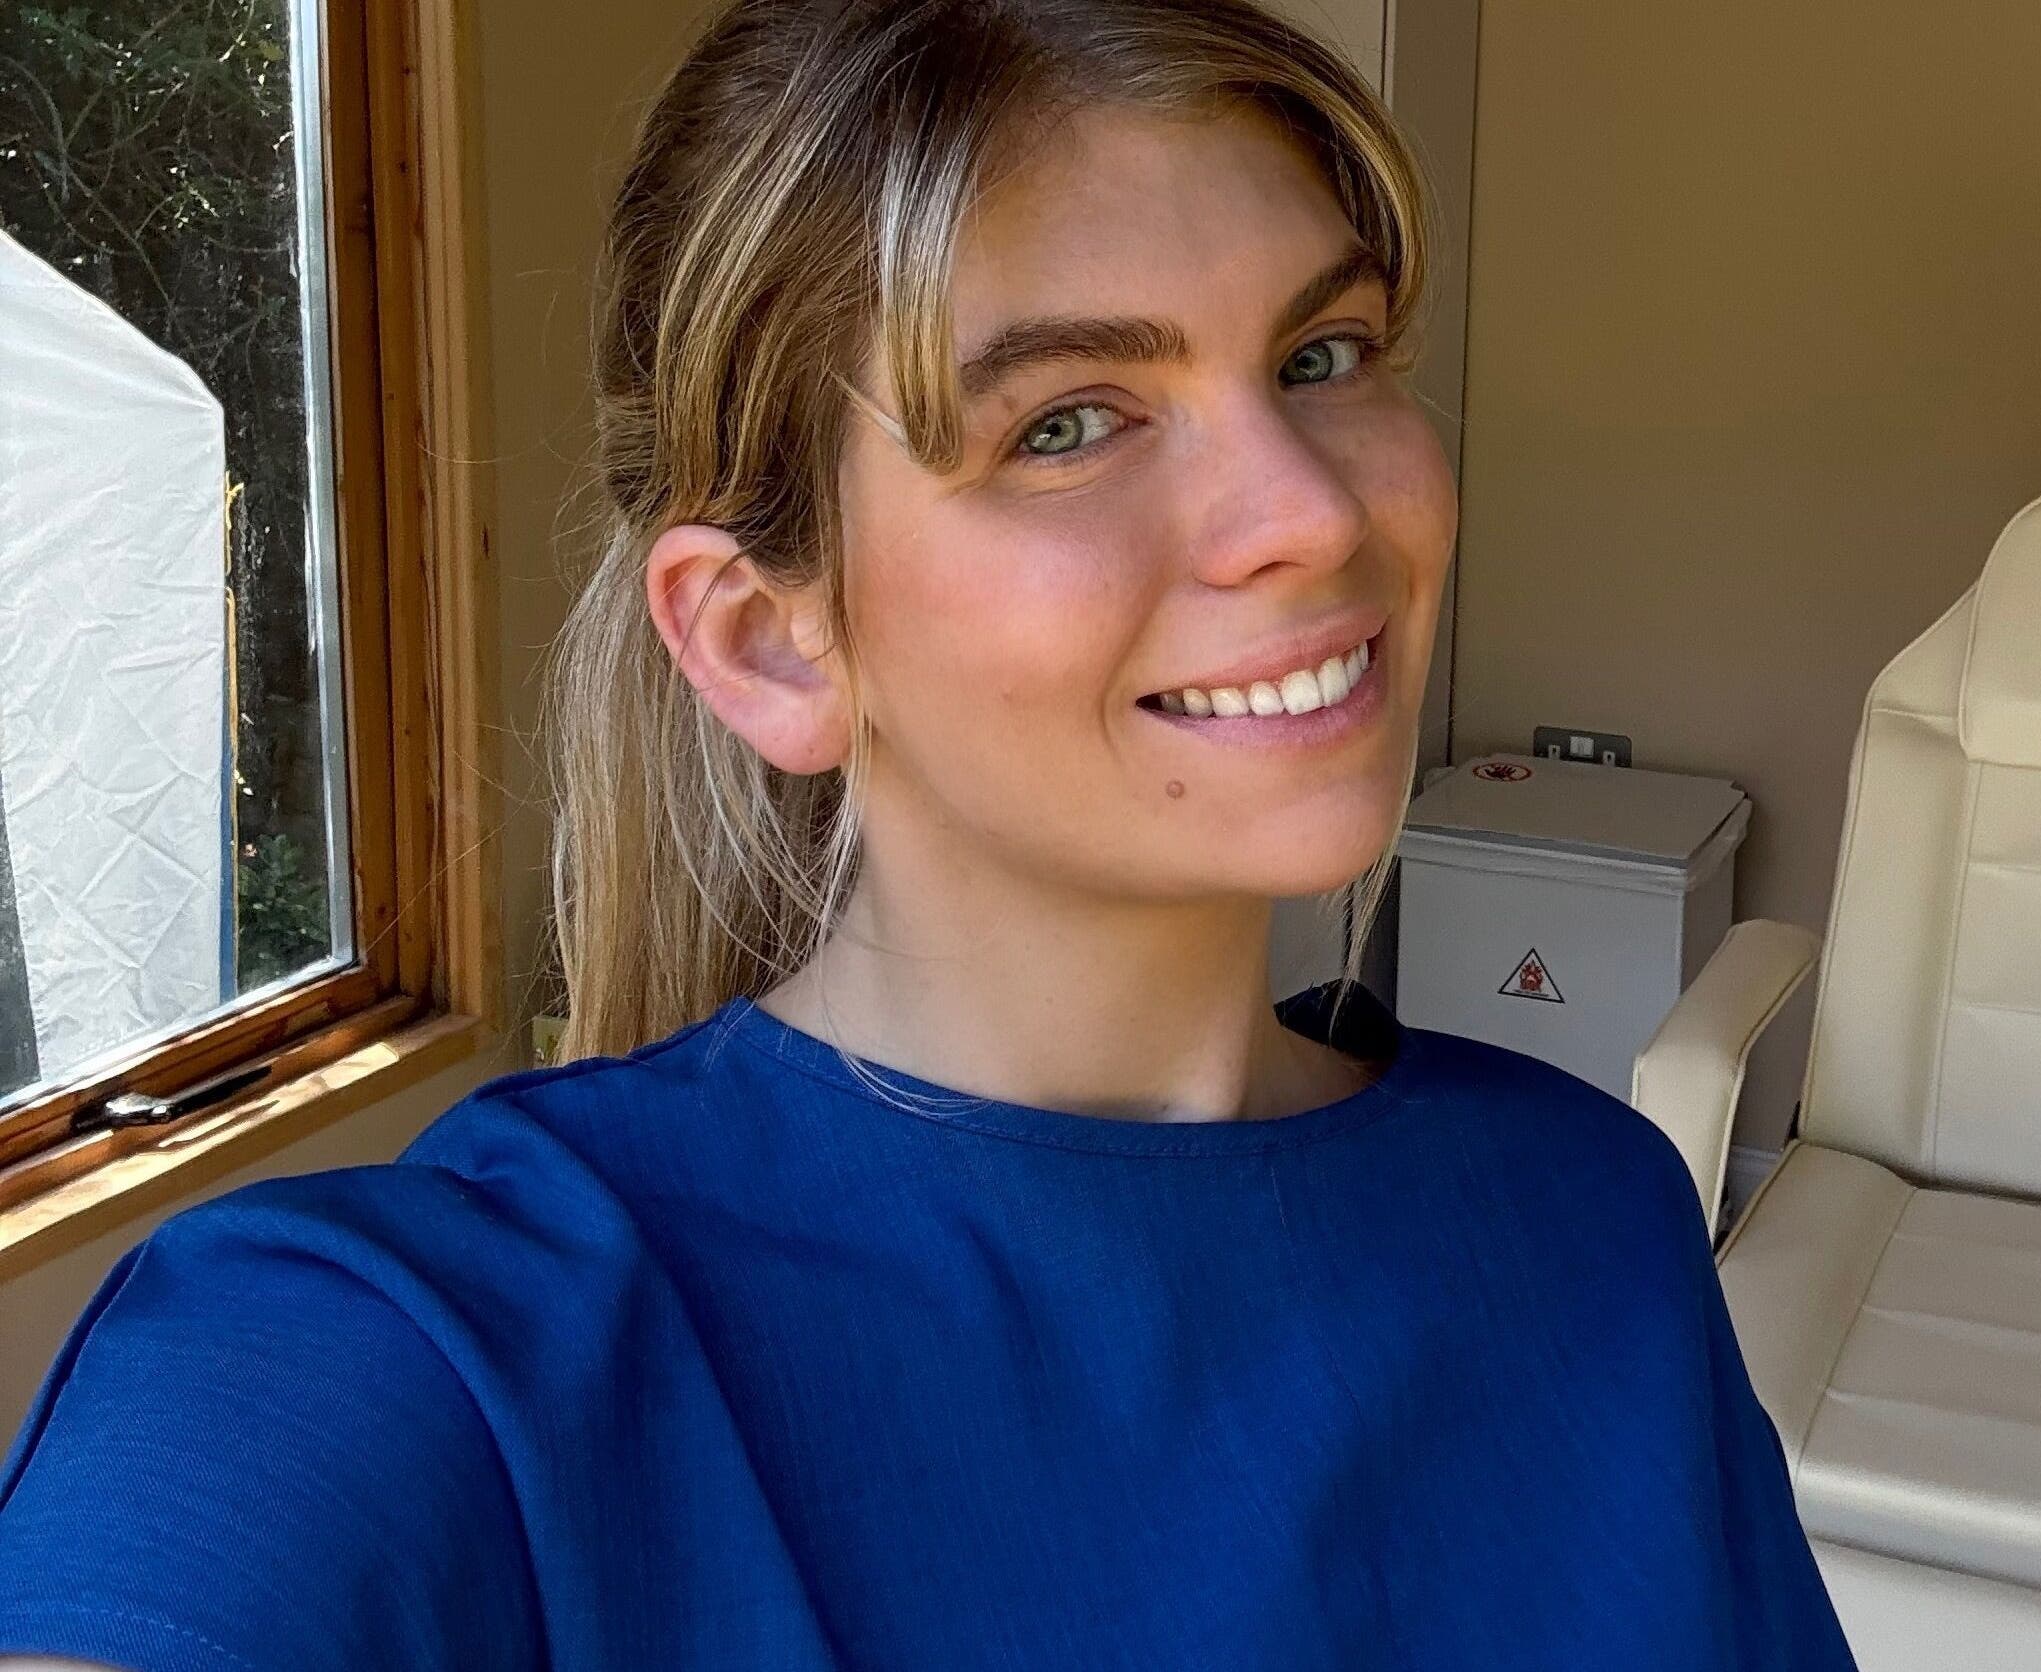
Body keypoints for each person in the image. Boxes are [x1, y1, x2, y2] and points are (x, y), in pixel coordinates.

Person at [0, 1, 1858, 1667]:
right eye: (1068, 422)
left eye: (1322, 355)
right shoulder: (418, 1360)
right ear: (771, 641)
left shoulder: (1590, 1225)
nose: (1304, 510)